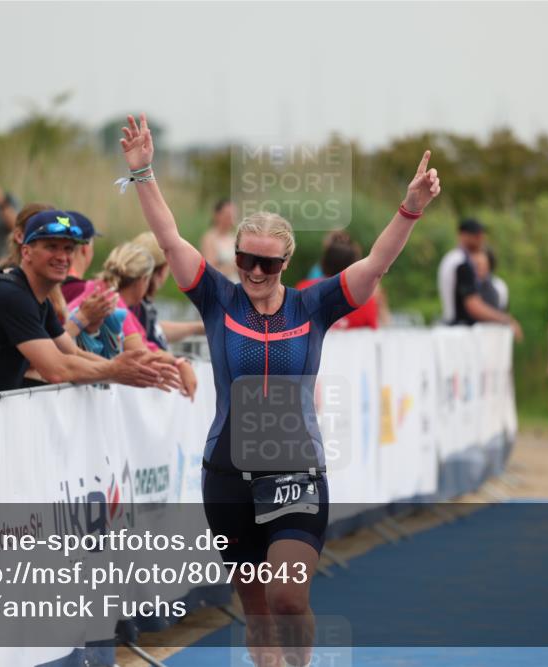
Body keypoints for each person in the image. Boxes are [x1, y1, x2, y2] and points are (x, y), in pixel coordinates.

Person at [120, 113, 440, 667]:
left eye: (268, 262)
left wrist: (409, 207)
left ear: (286, 262)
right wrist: (145, 172)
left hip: (296, 473)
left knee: (289, 597)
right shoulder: (218, 299)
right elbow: (170, 239)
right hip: (227, 476)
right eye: (246, 259)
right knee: (260, 614)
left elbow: (377, 263)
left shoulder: (313, 304)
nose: (255, 271)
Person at [0, 209, 180, 401]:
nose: (62, 256)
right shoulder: (11, 296)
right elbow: (57, 369)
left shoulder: (37, 298)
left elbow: (70, 352)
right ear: (26, 252)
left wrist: (126, 365)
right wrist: (115, 371)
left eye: (68, 249)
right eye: (52, 247)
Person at [66, 242, 198, 400]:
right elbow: (142, 354)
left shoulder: (97, 289)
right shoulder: (113, 303)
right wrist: (180, 362)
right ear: (143, 280)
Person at [439, 218, 522, 338]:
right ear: (462, 235)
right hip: (460, 330)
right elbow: (473, 305)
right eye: (476, 235)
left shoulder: (451, 258)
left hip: (454, 328)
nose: (481, 238)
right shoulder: (461, 262)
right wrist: (506, 319)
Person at [129, 231, 205, 350]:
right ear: (162, 271)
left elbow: (156, 329)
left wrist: (199, 328)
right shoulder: (139, 307)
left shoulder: (137, 302)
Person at [296, 231, 380, 329]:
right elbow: (372, 335)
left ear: (323, 264)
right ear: (355, 266)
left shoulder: (303, 290)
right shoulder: (366, 299)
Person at [200, 198, 239, 282]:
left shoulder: (235, 238)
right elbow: (210, 272)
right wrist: (234, 267)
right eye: (228, 215)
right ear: (217, 215)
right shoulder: (210, 238)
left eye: (233, 215)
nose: (231, 219)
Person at [471, 247, 509, 312]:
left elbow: (503, 310)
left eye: (481, 264)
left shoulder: (498, 285)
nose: (478, 268)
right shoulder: (467, 283)